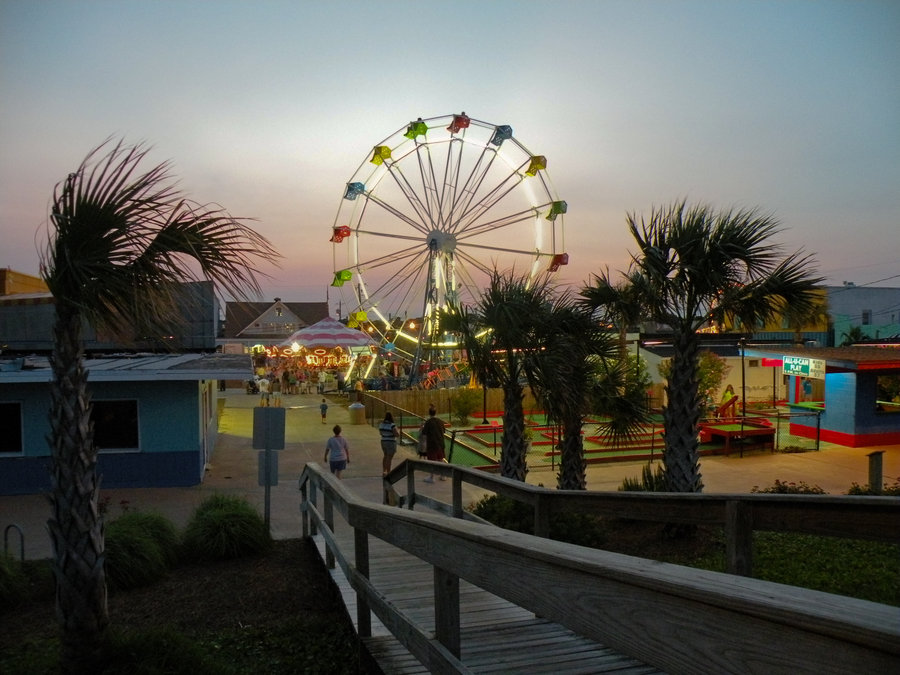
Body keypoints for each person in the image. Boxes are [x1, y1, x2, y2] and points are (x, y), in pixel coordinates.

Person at [421, 407, 446, 483]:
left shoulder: (428, 422)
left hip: (432, 444)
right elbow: (444, 431)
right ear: (436, 412)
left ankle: (432, 477)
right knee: (440, 459)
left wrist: (424, 446)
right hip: (440, 443)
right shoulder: (440, 421)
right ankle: (443, 475)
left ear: (429, 413)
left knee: (432, 461)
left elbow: (424, 434)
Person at [378, 411, 401, 476]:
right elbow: (397, 434)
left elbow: (380, 433)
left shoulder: (381, 424)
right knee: (389, 457)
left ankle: (384, 471)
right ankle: (388, 472)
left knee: (385, 456)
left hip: (383, 441)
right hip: (390, 442)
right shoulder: (392, 425)